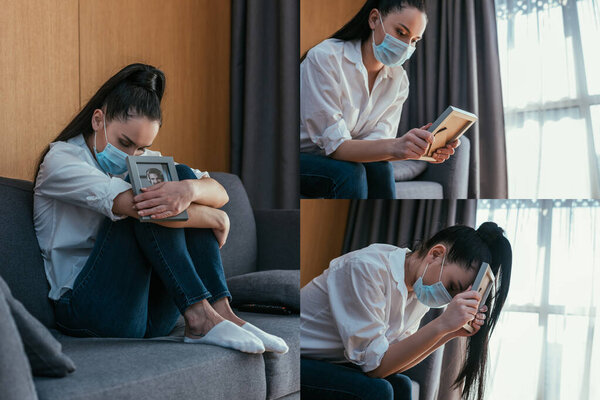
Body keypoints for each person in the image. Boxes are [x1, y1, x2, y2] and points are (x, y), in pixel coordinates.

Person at [33, 63, 288, 355]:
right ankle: (199, 316)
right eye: (125, 142)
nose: (132, 156)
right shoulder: (61, 161)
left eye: (141, 149)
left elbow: (217, 191)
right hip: (89, 309)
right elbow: (139, 208)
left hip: (151, 315)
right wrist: (213, 217)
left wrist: (190, 191)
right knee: (149, 194)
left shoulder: (143, 160)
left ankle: (221, 311)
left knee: (178, 175)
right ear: (97, 120)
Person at [300, 222, 512, 400]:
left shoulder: (419, 292)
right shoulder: (365, 269)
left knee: (401, 385)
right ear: (436, 254)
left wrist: (452, 332)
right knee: (376, 390)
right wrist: (442, 325)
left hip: (333, 361)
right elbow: (375, 368)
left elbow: (394, 361)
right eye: (451, 287)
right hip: (301, 356)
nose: (447, 299)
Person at [300, 0, 460, 199]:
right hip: (302, 156)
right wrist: (397, 146)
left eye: (414, 40)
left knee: (381, 168)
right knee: (349, 173)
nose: (405, 46)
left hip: (341, 156)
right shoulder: (325, 58)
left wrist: (415, 149)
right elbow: (336, 147)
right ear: (374, 19)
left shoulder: (398, 80)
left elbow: (377, 144)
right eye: (401, 33)